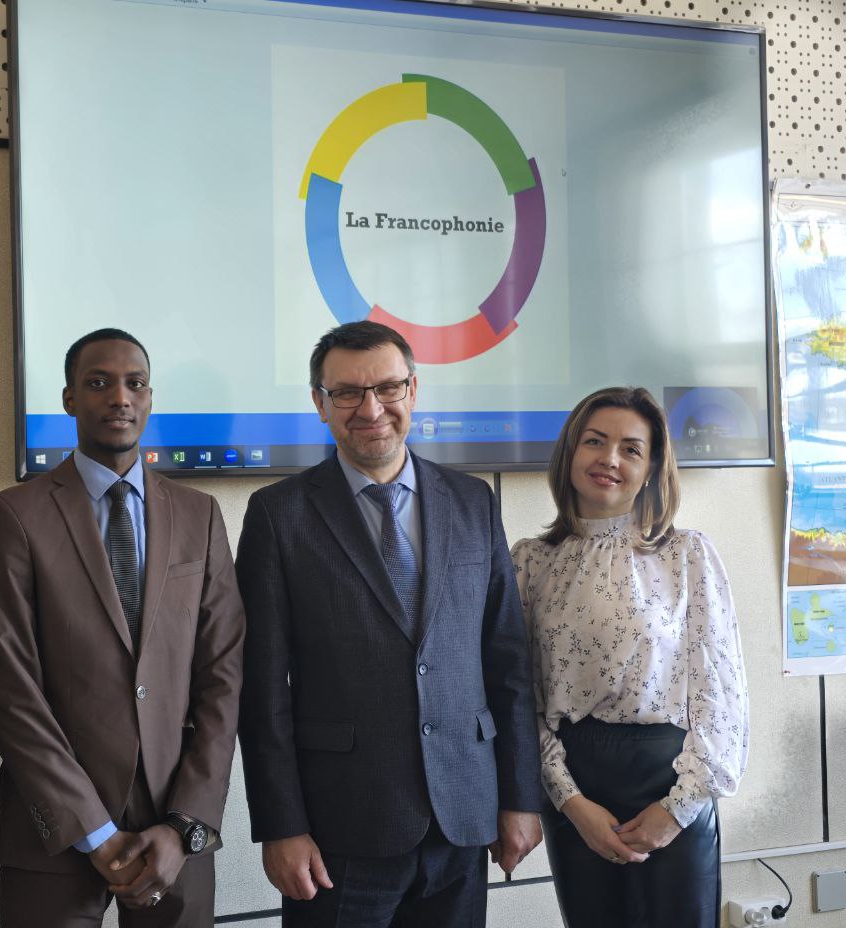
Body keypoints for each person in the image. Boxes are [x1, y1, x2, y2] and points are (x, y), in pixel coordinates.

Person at [236, 320, 544, 927]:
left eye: (387, 388)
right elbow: (262, 687)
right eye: (348, 392)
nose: (371, 408)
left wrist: (519, 797)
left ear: (413, 390)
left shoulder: (473, 501)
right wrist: (281, 826)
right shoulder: (278, 514)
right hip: (340, 829)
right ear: (320, 403)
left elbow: (507, 663)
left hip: (463, 818)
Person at [0, 328, 245, 927]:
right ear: (69, 398)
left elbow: (223, 676)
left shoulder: (199, 514)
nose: (120, 397)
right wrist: (93, 831)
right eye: (98, 383)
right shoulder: (15, 515)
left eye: (135, 383)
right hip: (55, 829)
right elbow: (10, 688)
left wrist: (186, 823)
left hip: (174, 827)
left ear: (149, 398)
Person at [511, 386, 748, 927]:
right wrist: (569, 801)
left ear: (652, 468)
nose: (609, 459)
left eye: (630, 449)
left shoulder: (687, 554)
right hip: (574, 786)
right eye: (595, 441)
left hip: (671, 782)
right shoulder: (530, 562)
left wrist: (678, 808)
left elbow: (721, 693)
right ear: (570, 452)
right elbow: (519, 697)